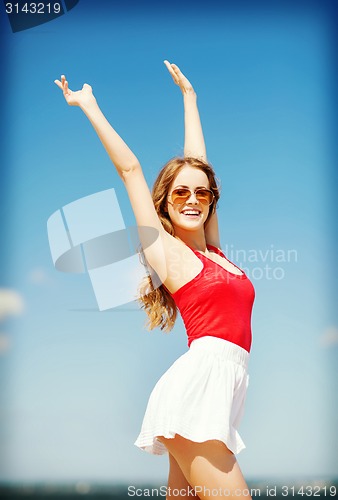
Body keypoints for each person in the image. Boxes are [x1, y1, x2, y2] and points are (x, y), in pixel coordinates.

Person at [55, 61, 255, 500]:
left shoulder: (215, 252)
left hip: (220, 391)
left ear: (211, 201)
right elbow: (130, 170)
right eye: (179, 192)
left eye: (202, 193)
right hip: (196, 391)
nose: (192, 199)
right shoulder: (167, 254)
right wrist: (88, 104)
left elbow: (199, 163)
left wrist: (190, 99)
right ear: (163, 203)